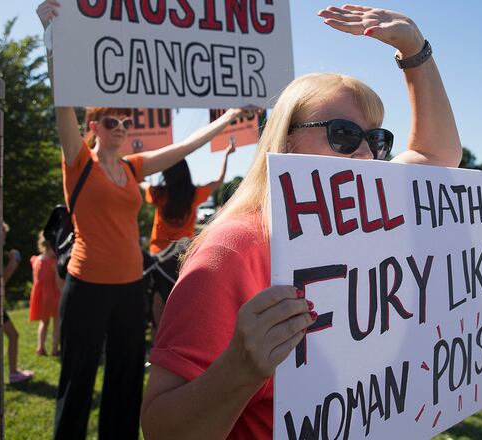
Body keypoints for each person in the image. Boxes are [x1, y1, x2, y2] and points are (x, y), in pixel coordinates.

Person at [141, 5, 462, 439]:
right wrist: (240, 368)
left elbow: (438, 157)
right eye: (344, 136)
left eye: (376, 140)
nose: (366, 155)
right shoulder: (231, 252)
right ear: (287, 140)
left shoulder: (367, 218)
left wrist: (414, 49)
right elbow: (162, 428)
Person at [36, 2, 258, 438]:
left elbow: (183, 150)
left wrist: (229, 119)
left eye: (125, 120)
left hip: (130, 288)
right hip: (86, 286)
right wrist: (53, 43)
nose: (120, 126)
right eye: (110, 120)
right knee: (78, 381)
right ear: (93, 127)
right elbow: (62, 103)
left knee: (125, 379)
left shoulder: (135, 167)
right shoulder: (79, 162)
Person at [140, 141, 237, 337]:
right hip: (183, 255)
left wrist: (137, 160)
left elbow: (139, 180)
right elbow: (218, 181)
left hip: (158, 256)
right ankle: (180, 335)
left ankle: (159, 336)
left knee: (158, 294)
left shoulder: (158, 194)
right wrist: (226, 155)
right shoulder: (194, 194)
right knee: (181, 297)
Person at [1, 222, 34, 384]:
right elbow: (1, 281)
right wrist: (13, 263)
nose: (3, 243)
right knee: (13, 335)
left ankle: (13, 372)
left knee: (13, 335)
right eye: (2, 239)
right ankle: (13, 373)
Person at [28, 231, 63, 356]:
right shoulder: (54, 262)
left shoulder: (36, 260)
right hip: (54, 295)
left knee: (44, 323)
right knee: (57, 323)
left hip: (41, 297)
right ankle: (55, 350)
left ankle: (40, 347)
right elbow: (58, 281)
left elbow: (35, 280)